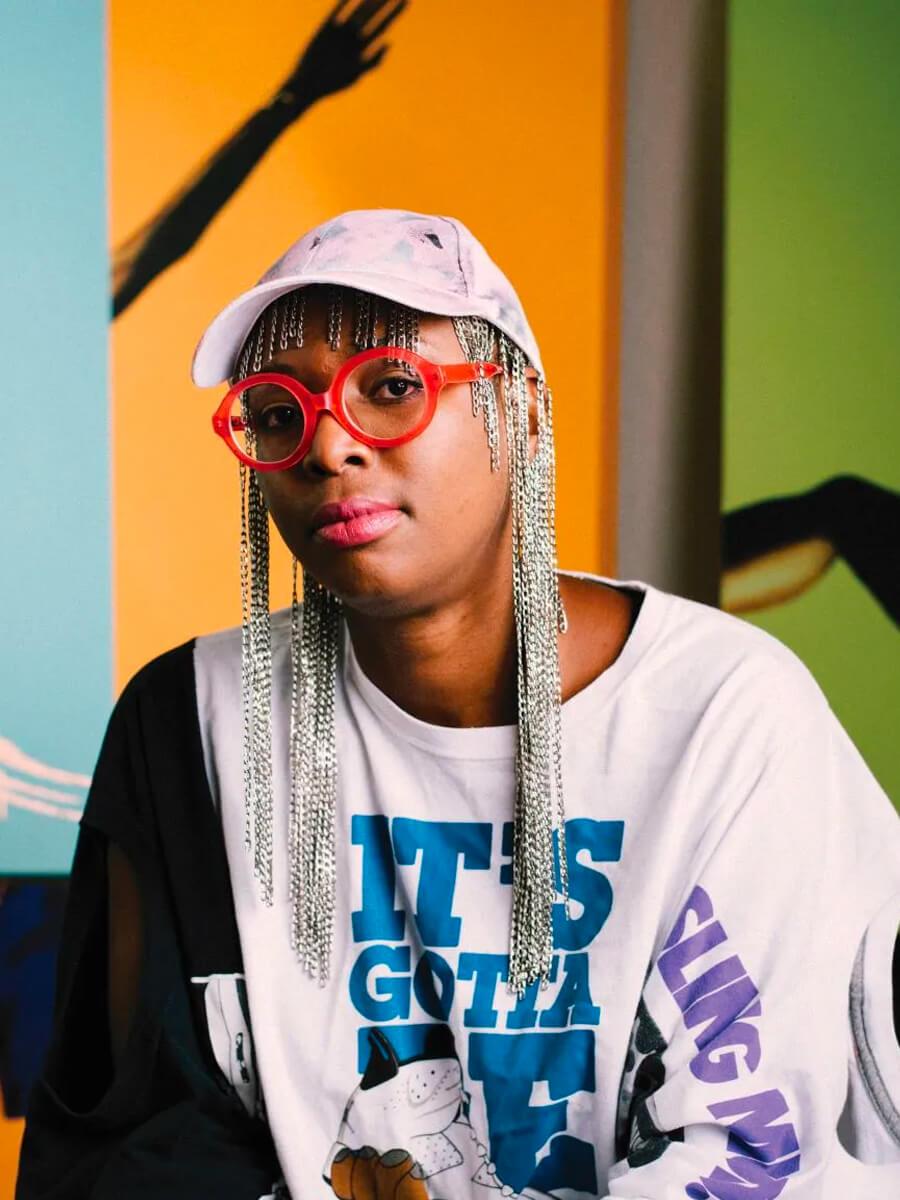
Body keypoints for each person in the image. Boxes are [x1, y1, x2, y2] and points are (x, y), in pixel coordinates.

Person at [16, 208, 900, 1199]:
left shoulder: (726, 714)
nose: (329, 447)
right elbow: (144, 1135)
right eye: (277, 411)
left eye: (391, 389)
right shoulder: (192, 719)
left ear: (520, 411)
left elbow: (753, 1151)